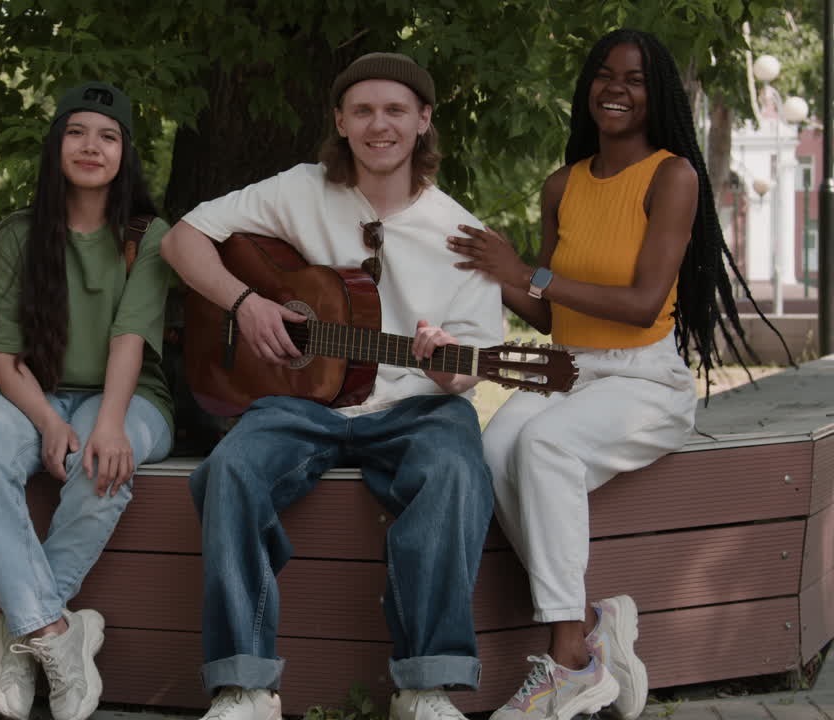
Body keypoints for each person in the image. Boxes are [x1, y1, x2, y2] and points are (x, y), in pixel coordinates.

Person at [160, 53, 502, 720]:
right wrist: (244, 305)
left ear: (424, 120)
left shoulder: (464, 235)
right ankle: (244, 687)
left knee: (457, 472)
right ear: (340, 122)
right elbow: (182, 240)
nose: (380, 125)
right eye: (364, 111)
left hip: (417, 408)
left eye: (396, 110)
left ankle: (425, 687)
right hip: (300, 402)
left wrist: (445, 368)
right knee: (229, 470)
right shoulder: (299, 189)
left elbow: (475, 362)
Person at [447, 28, 776, 720]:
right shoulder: (562, 184)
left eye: (633, 78)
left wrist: (529, 272)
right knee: (493, 448)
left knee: (544, 446)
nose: (615, 89)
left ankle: (568, 657)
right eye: (604, 75)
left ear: (656, 94)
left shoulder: (672, 176)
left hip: (642, 379)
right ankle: (596, 629)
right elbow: (546, 313)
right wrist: (490, 270)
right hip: (567, 369)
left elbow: (641, 304)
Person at [0, 81, 174, 720]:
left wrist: (107, 425)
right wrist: (48, 420)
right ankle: (53, 632)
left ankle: (18, 638)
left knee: (101, 464)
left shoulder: (145, 236)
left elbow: (130, 338)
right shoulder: (18, 236)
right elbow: (2, 357)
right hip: (35, 389)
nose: (91, 146)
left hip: (131, 394)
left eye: (107, 135)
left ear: (125, 152)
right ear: (55, 147)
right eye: (76, 132)